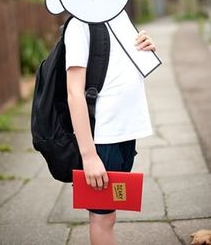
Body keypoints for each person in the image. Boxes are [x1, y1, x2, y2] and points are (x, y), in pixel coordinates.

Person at [65, 17, 156, 245]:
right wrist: (89, 156)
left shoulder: (117, 16)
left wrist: (145, 47)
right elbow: (74, 92)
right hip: (102, 138)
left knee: (109, 213)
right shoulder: (80, 24)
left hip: (125, 132)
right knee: (102, 218)